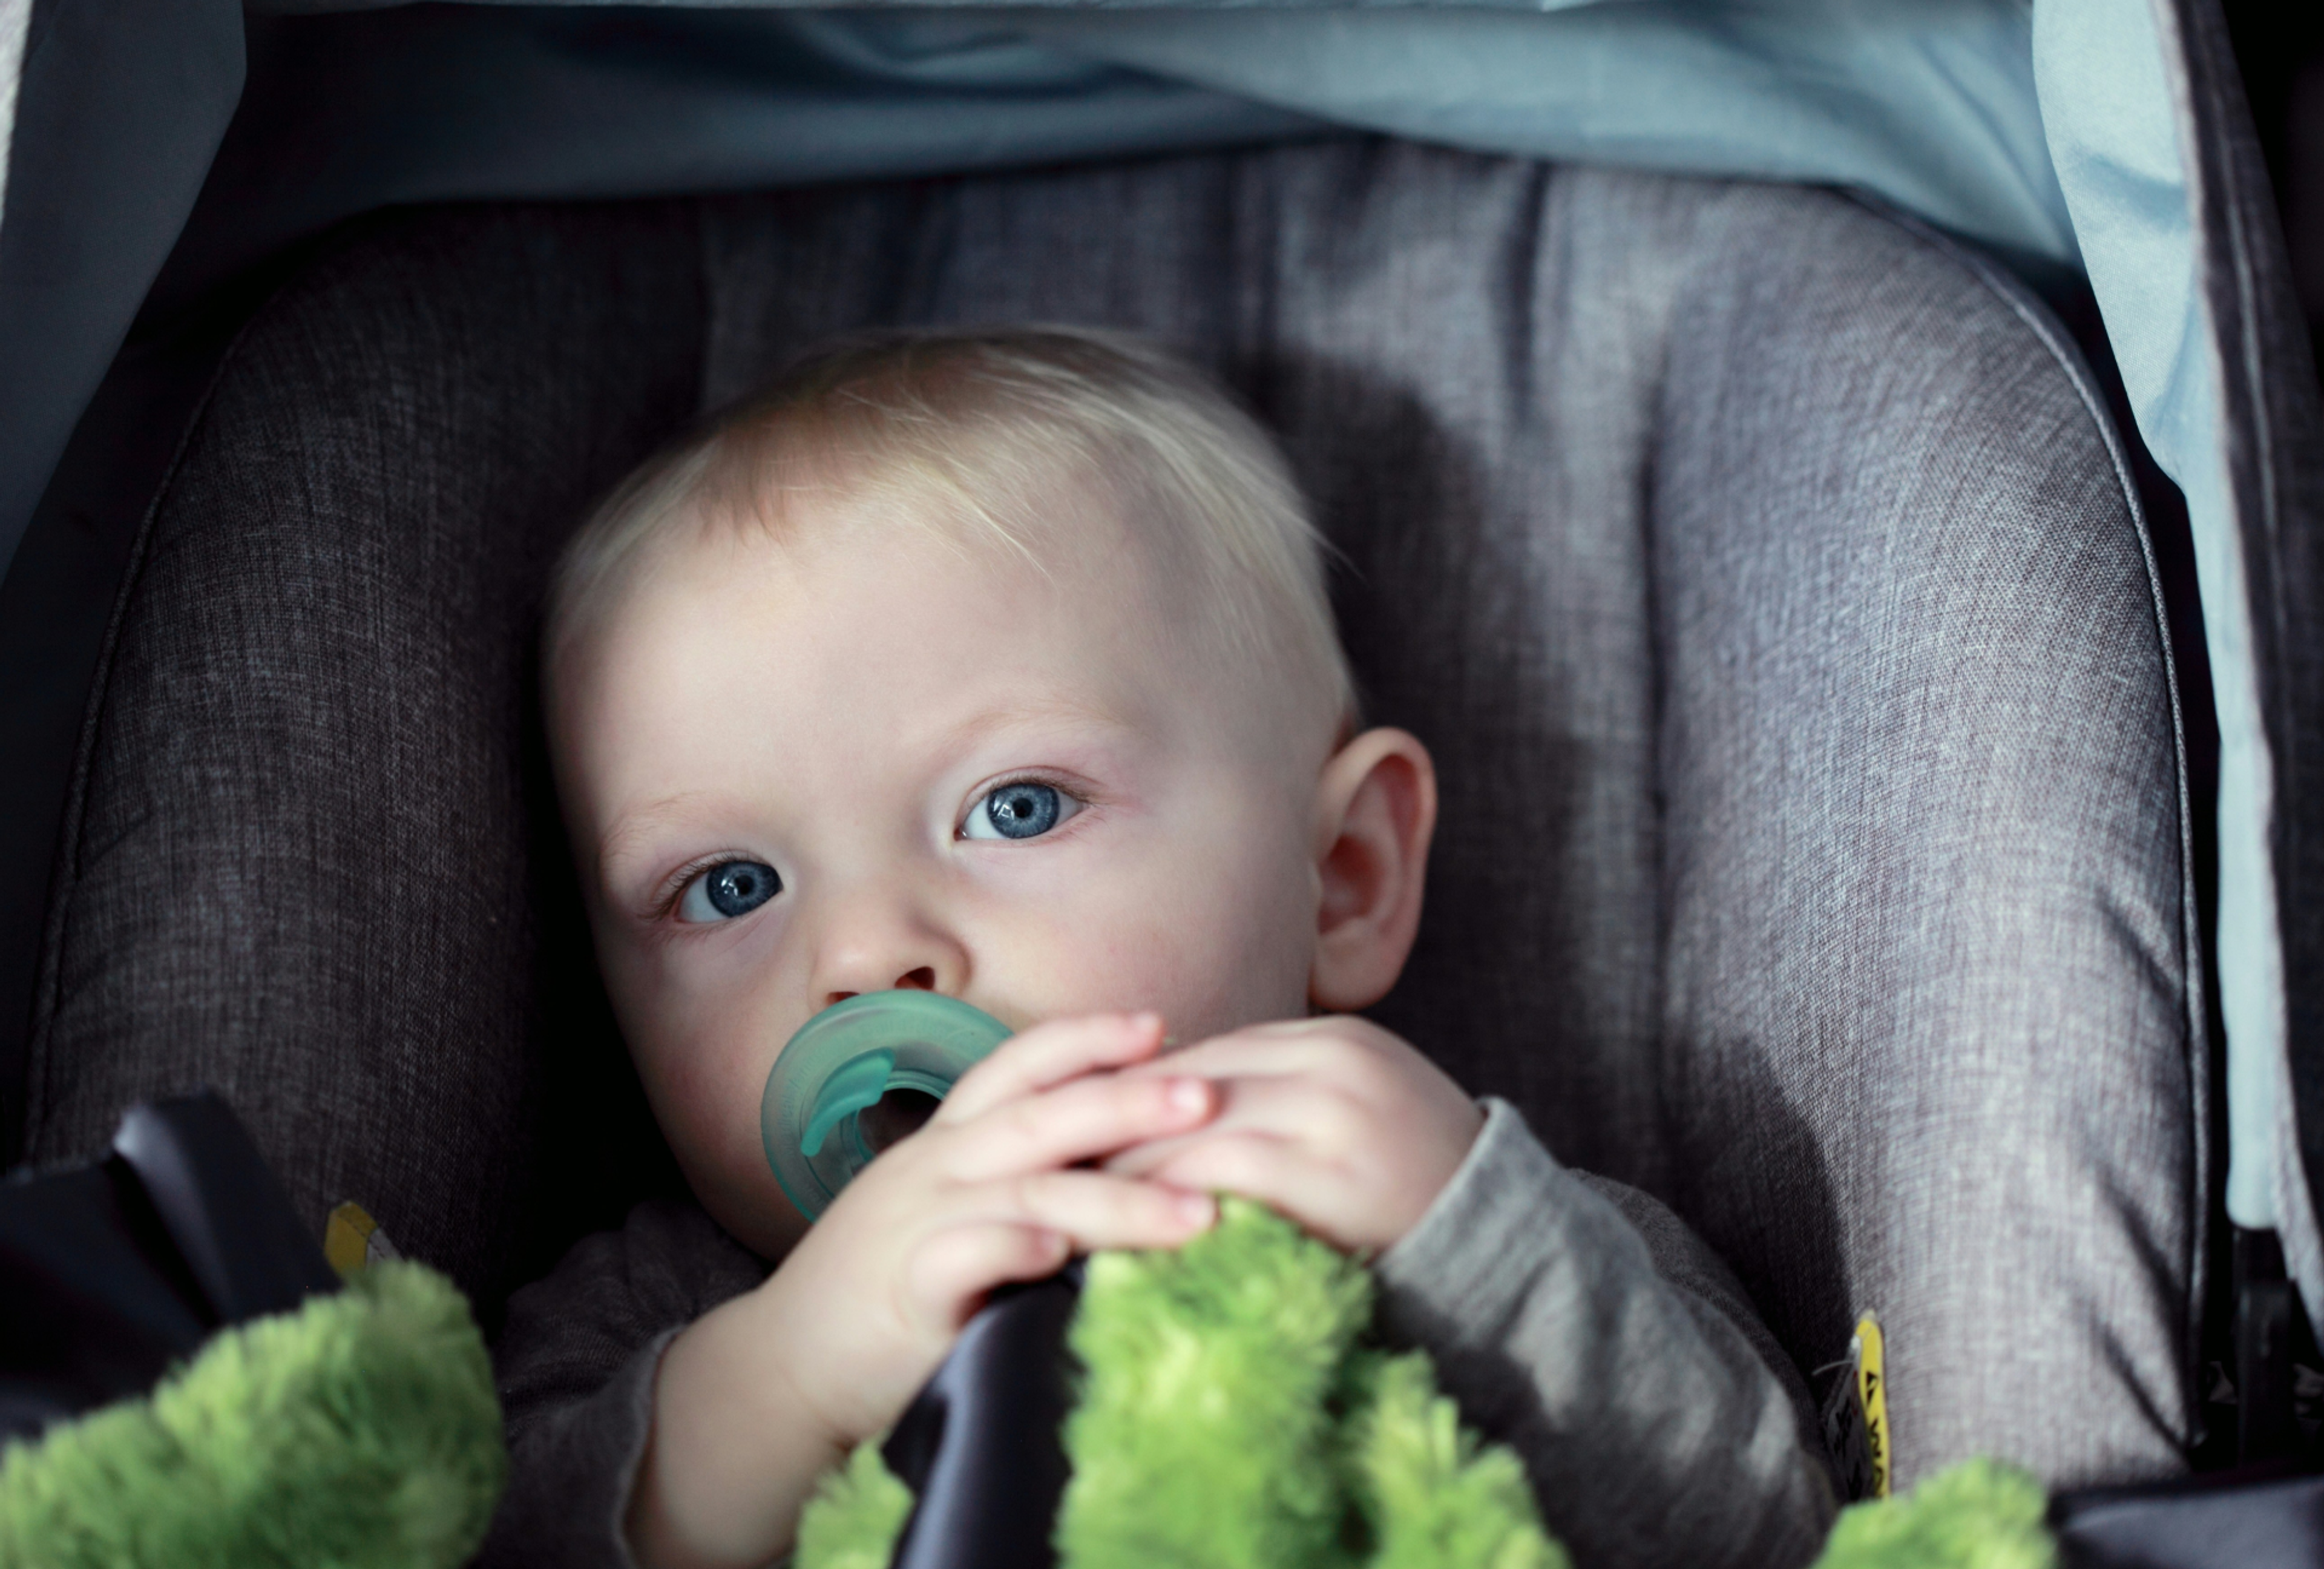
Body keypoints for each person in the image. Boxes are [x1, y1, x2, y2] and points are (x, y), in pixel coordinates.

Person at [490, 327, 1837, 1569]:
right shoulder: (669, 1310)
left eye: (1015, 809)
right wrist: (787, 1376)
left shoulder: (1464, 1218)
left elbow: (1771, 1528)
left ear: (1346, 877)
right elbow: (485, 1538)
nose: (863, 956)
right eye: (729, 886)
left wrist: (1474, 1251)